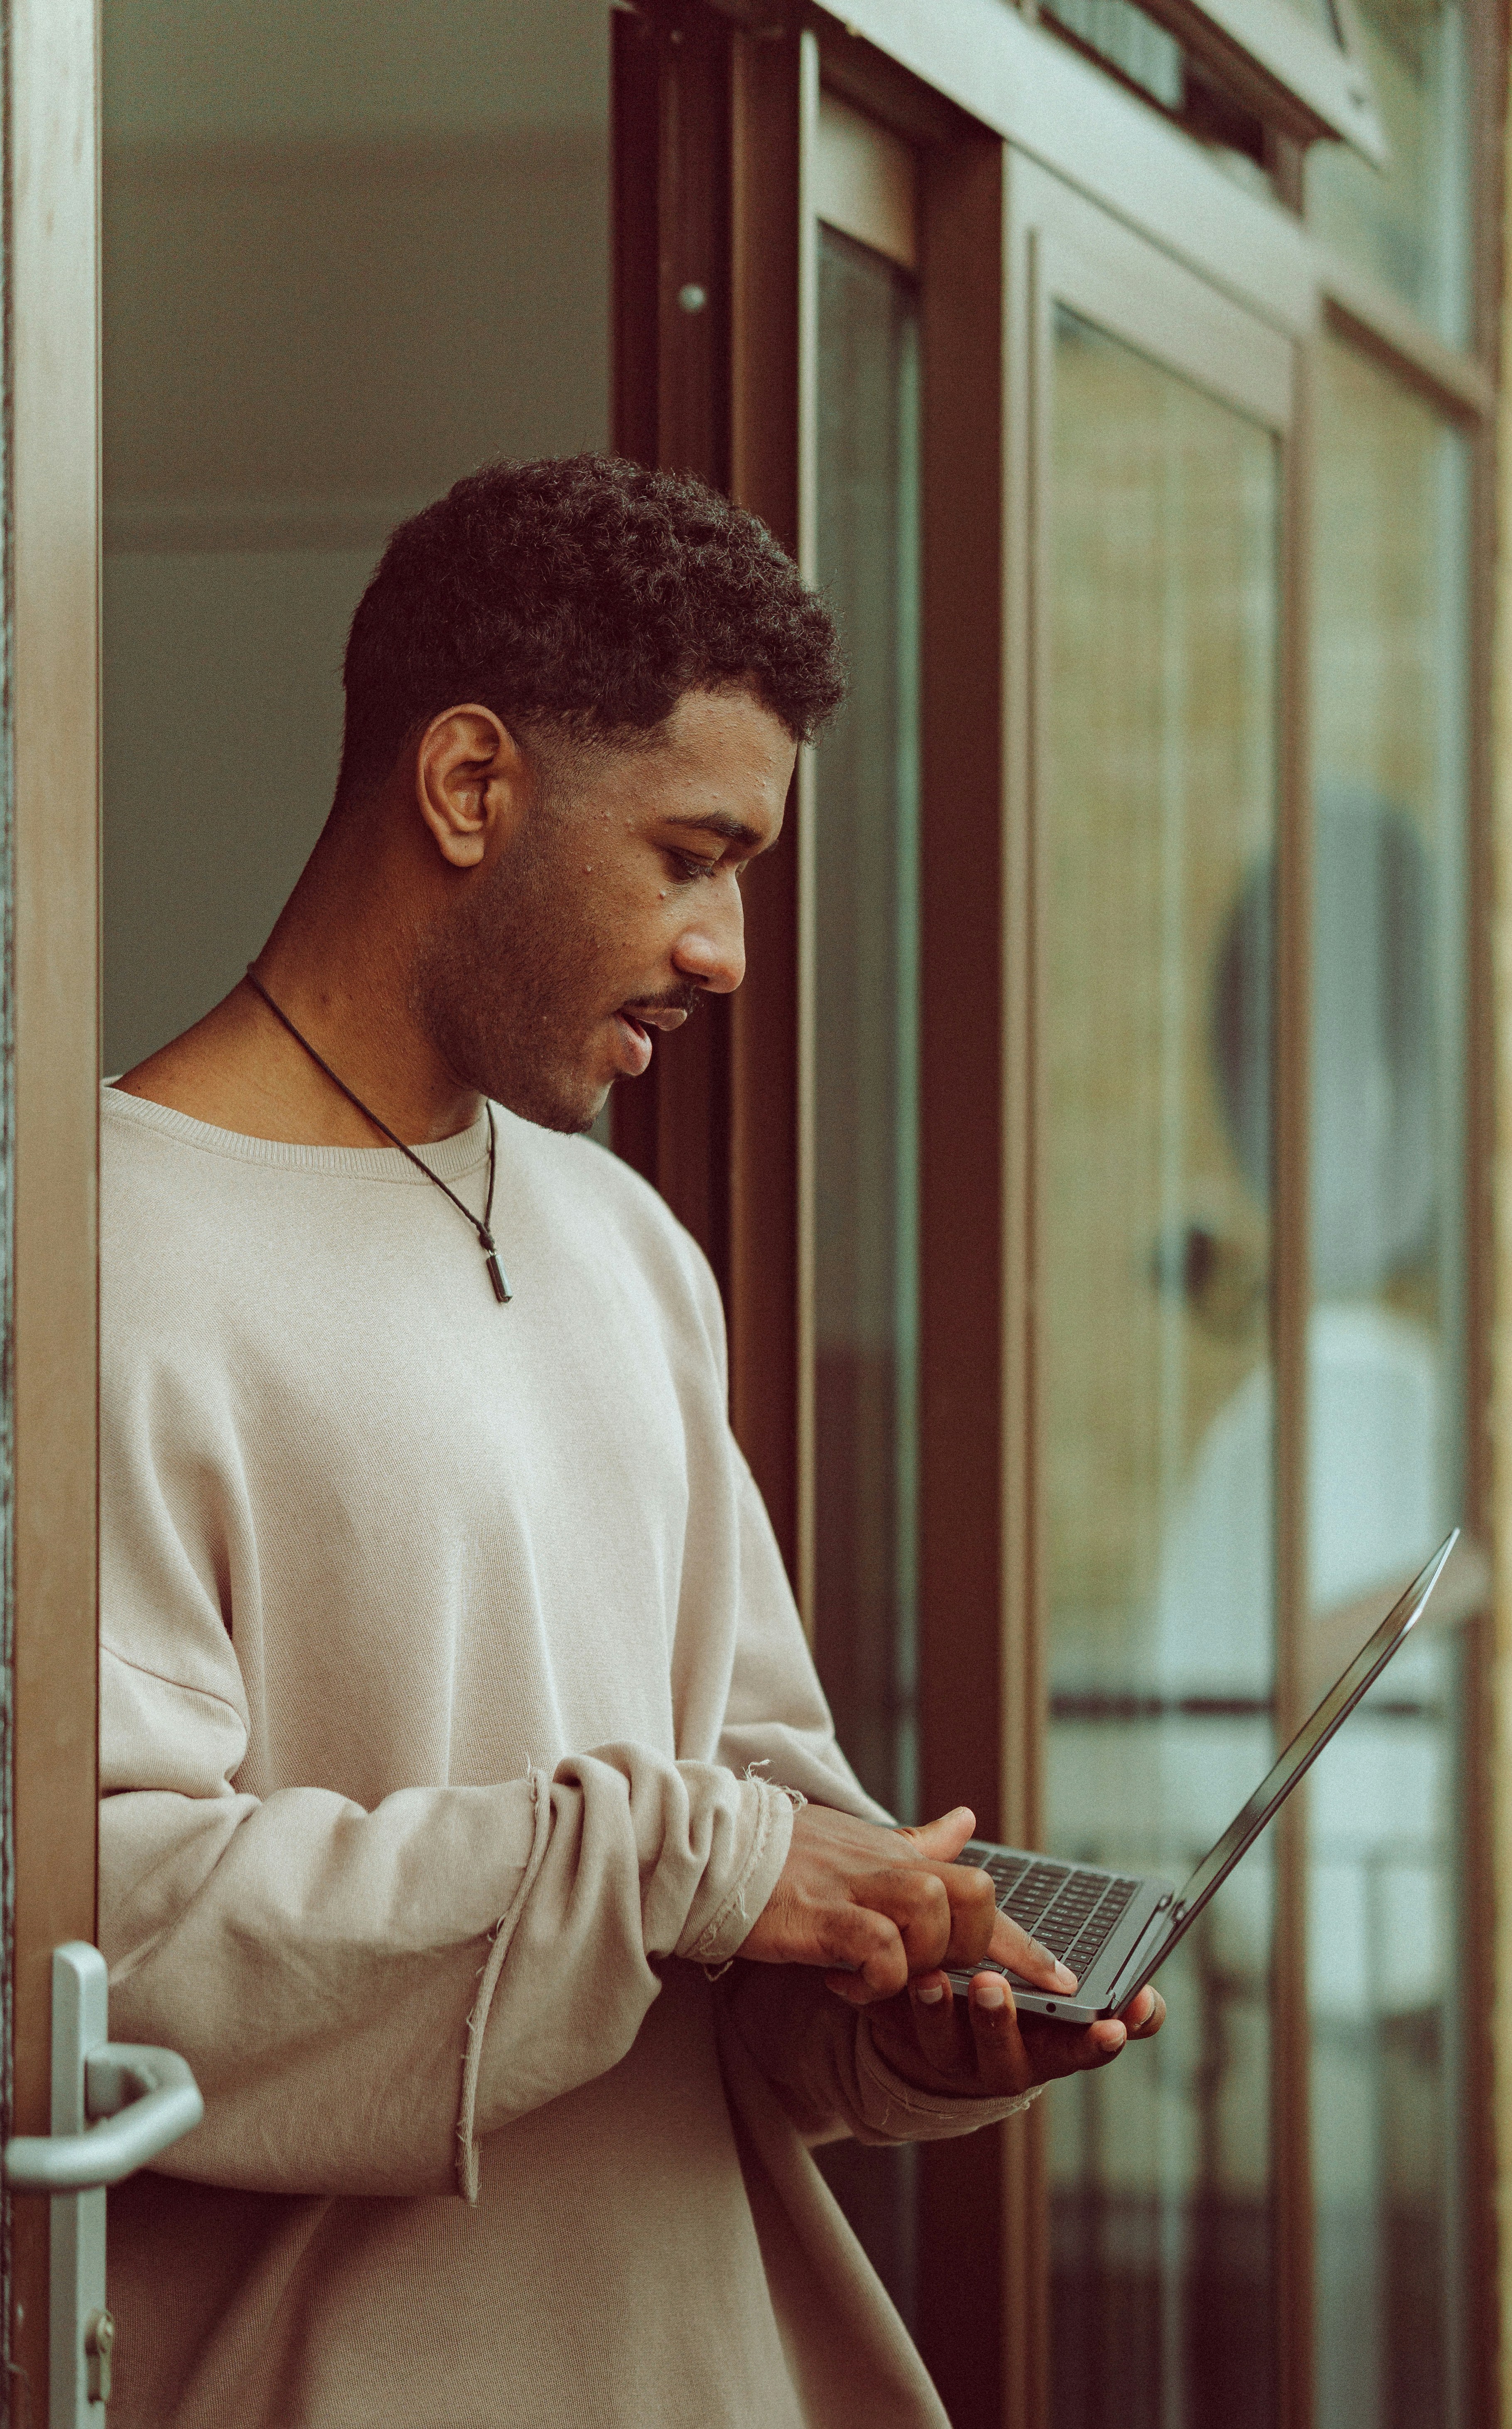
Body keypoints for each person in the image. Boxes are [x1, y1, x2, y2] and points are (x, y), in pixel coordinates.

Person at [101, 456, 1164, 2429]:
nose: (728, 952)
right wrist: (696, 1863)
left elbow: (739, 1865)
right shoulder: (97, 1258)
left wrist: (902, 2006)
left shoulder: (624, 1241)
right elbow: (96, 1938)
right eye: (691, 855)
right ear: (471, 785)